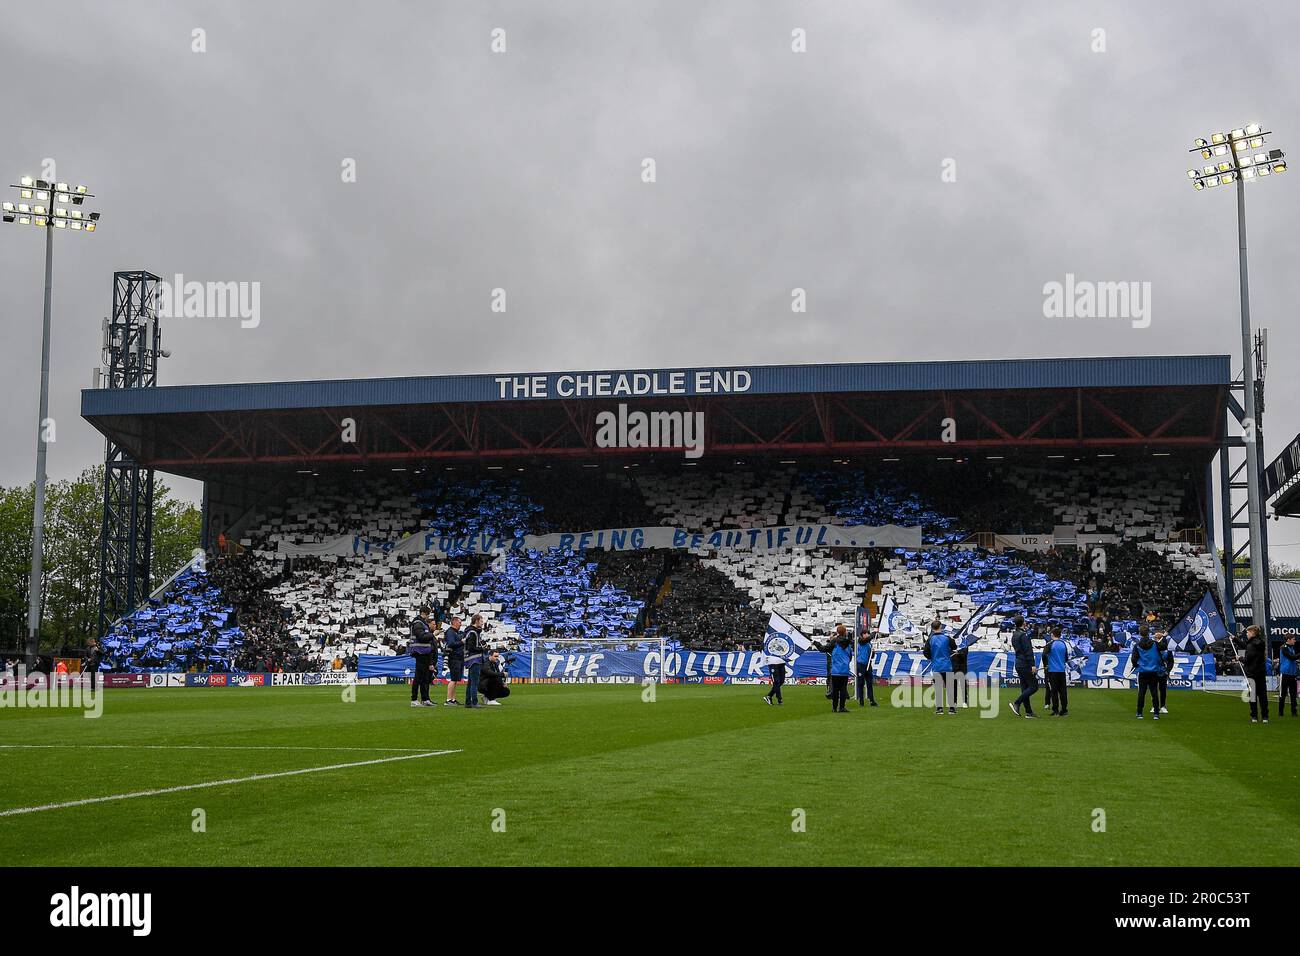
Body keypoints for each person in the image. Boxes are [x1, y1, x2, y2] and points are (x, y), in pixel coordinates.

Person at [1130, 624, 1163, 720]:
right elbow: (1163, 648)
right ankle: (1156, 714)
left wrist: (1137, 666)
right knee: (1154, 692)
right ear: (1148, 633)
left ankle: (1139, 713)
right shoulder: (1154, 644)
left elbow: (1134, 659)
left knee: (1141, 692)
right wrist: (1162, 637)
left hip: (1143, 671)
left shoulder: (1137, 646)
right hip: (1153, 671)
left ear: (1140, 633)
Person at [1008, 615, 1038, 718]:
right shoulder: (1023, 635)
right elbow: (1028, 651)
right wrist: (1032, 665)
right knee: (1034, 686)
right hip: (1025, 663)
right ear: (1023, 623)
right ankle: (1017, 703)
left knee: (1025, 688)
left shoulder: (1014, 634)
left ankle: (1029, 712)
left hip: (1018, 663)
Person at [924, 620, 956, 715]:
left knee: (938, 688)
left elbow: (925, 652)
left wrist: (932, 657)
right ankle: (952, 709)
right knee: (950, 687)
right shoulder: (947, 638)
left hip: (936, 666)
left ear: (932, 628)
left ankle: (939, 709)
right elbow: (954, 647)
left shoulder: (930, 639)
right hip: (947, 666)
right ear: (940, 627)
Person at [407, 606, 436, 708]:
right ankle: (414, 699)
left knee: (424, 678)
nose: (428, 616)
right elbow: (421, 637)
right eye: (428, 614)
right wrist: (433, 634)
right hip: (420, 652)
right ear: (425, 613)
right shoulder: (418, 623)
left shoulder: (421, 623)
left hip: (424, 652)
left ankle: (425, 699)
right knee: (418, 677)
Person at [1243, 625, 1269, 724]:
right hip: (1261, 672)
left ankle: (1254, 716)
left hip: (1252, 673)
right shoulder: (1261, 643)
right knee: (1263, 696)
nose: (1246, 634)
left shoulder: (1251, 645)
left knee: (1252, 696)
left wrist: (1240, 658)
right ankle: (1265, 716)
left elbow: (1248, 659)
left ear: (1252, 632)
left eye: (1248, 632)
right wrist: (1235, 639)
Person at [1042, 624, 1069, 717]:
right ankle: (1064, 710)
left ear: (1052, 634)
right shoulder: (1063, 644)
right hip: (1061, 670)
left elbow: (1044, 655)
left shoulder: (1050, 644)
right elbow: (1066, 658)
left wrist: (1046, 665)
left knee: (1054, 691)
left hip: (1052, 671)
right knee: (1063, 691)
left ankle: (1056, 710)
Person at [463, 614, 487, 708]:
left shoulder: (470, 631)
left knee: (470, 682)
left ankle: (468, 702)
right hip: (474, 659)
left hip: (470, 659)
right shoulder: (473, 633)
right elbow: (471, 647)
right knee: (474, 682)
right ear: (476, 621)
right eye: (481, 621)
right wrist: (482, 648)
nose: (482, 623)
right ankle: (474, 702)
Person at [828, 627, 853, 713]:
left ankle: (834, 707)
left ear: (837, 632)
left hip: (835, 670)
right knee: (843, 689)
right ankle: (842, 707)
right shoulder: (848, 645)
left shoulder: (834, 642)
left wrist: (816, 643)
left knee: (835, 690)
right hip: (844, 670)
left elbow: (824, 648)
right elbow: (850, 656)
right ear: (845, 632)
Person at [442, 616, 465, 705]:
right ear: (454, 622)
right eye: (459, 622)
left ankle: (453, 699)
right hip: (454, 657)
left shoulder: (455, 632)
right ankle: (448, 700)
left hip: (458, 657)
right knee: (453, 679)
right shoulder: (450, 632)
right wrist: (461, 642)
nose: (460, 624)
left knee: (455, 680)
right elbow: (451, 643)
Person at [854, 631, 877, 707]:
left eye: (868, 633)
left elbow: (871, 656)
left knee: (869, 683)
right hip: (861, 664)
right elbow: (866, 640)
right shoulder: (861, 641)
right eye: (866, 633)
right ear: (862, 635)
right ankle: (861, 701)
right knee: (861, 683)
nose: (867, 635)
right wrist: (873, 634)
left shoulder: (869, 644)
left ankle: (872, 700)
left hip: (868, 664)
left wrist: (873, 653)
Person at [1278, 635, 1298, 717]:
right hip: (1285, 673)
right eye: (1293, 639)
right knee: (1283, 693)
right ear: (1288, 640)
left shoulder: (1291, 648)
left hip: (1292, 674)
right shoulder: (1284, 648)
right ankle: (1281, 712)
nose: (1295, 641)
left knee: (1293, 694)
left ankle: (1294, 712)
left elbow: (1292, 658)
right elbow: (1291, 657)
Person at [1155, 629, 1173, 715]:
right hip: (1154, 671)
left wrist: (1168, 670)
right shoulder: (1154, 649)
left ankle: (1162, 706)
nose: (1155, 639)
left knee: (1163, 690)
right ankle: (1154, 706)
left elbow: (1171, 662)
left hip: (1163, 672)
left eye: (1157, 637)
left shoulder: (1168, 651)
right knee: (1153, 690)